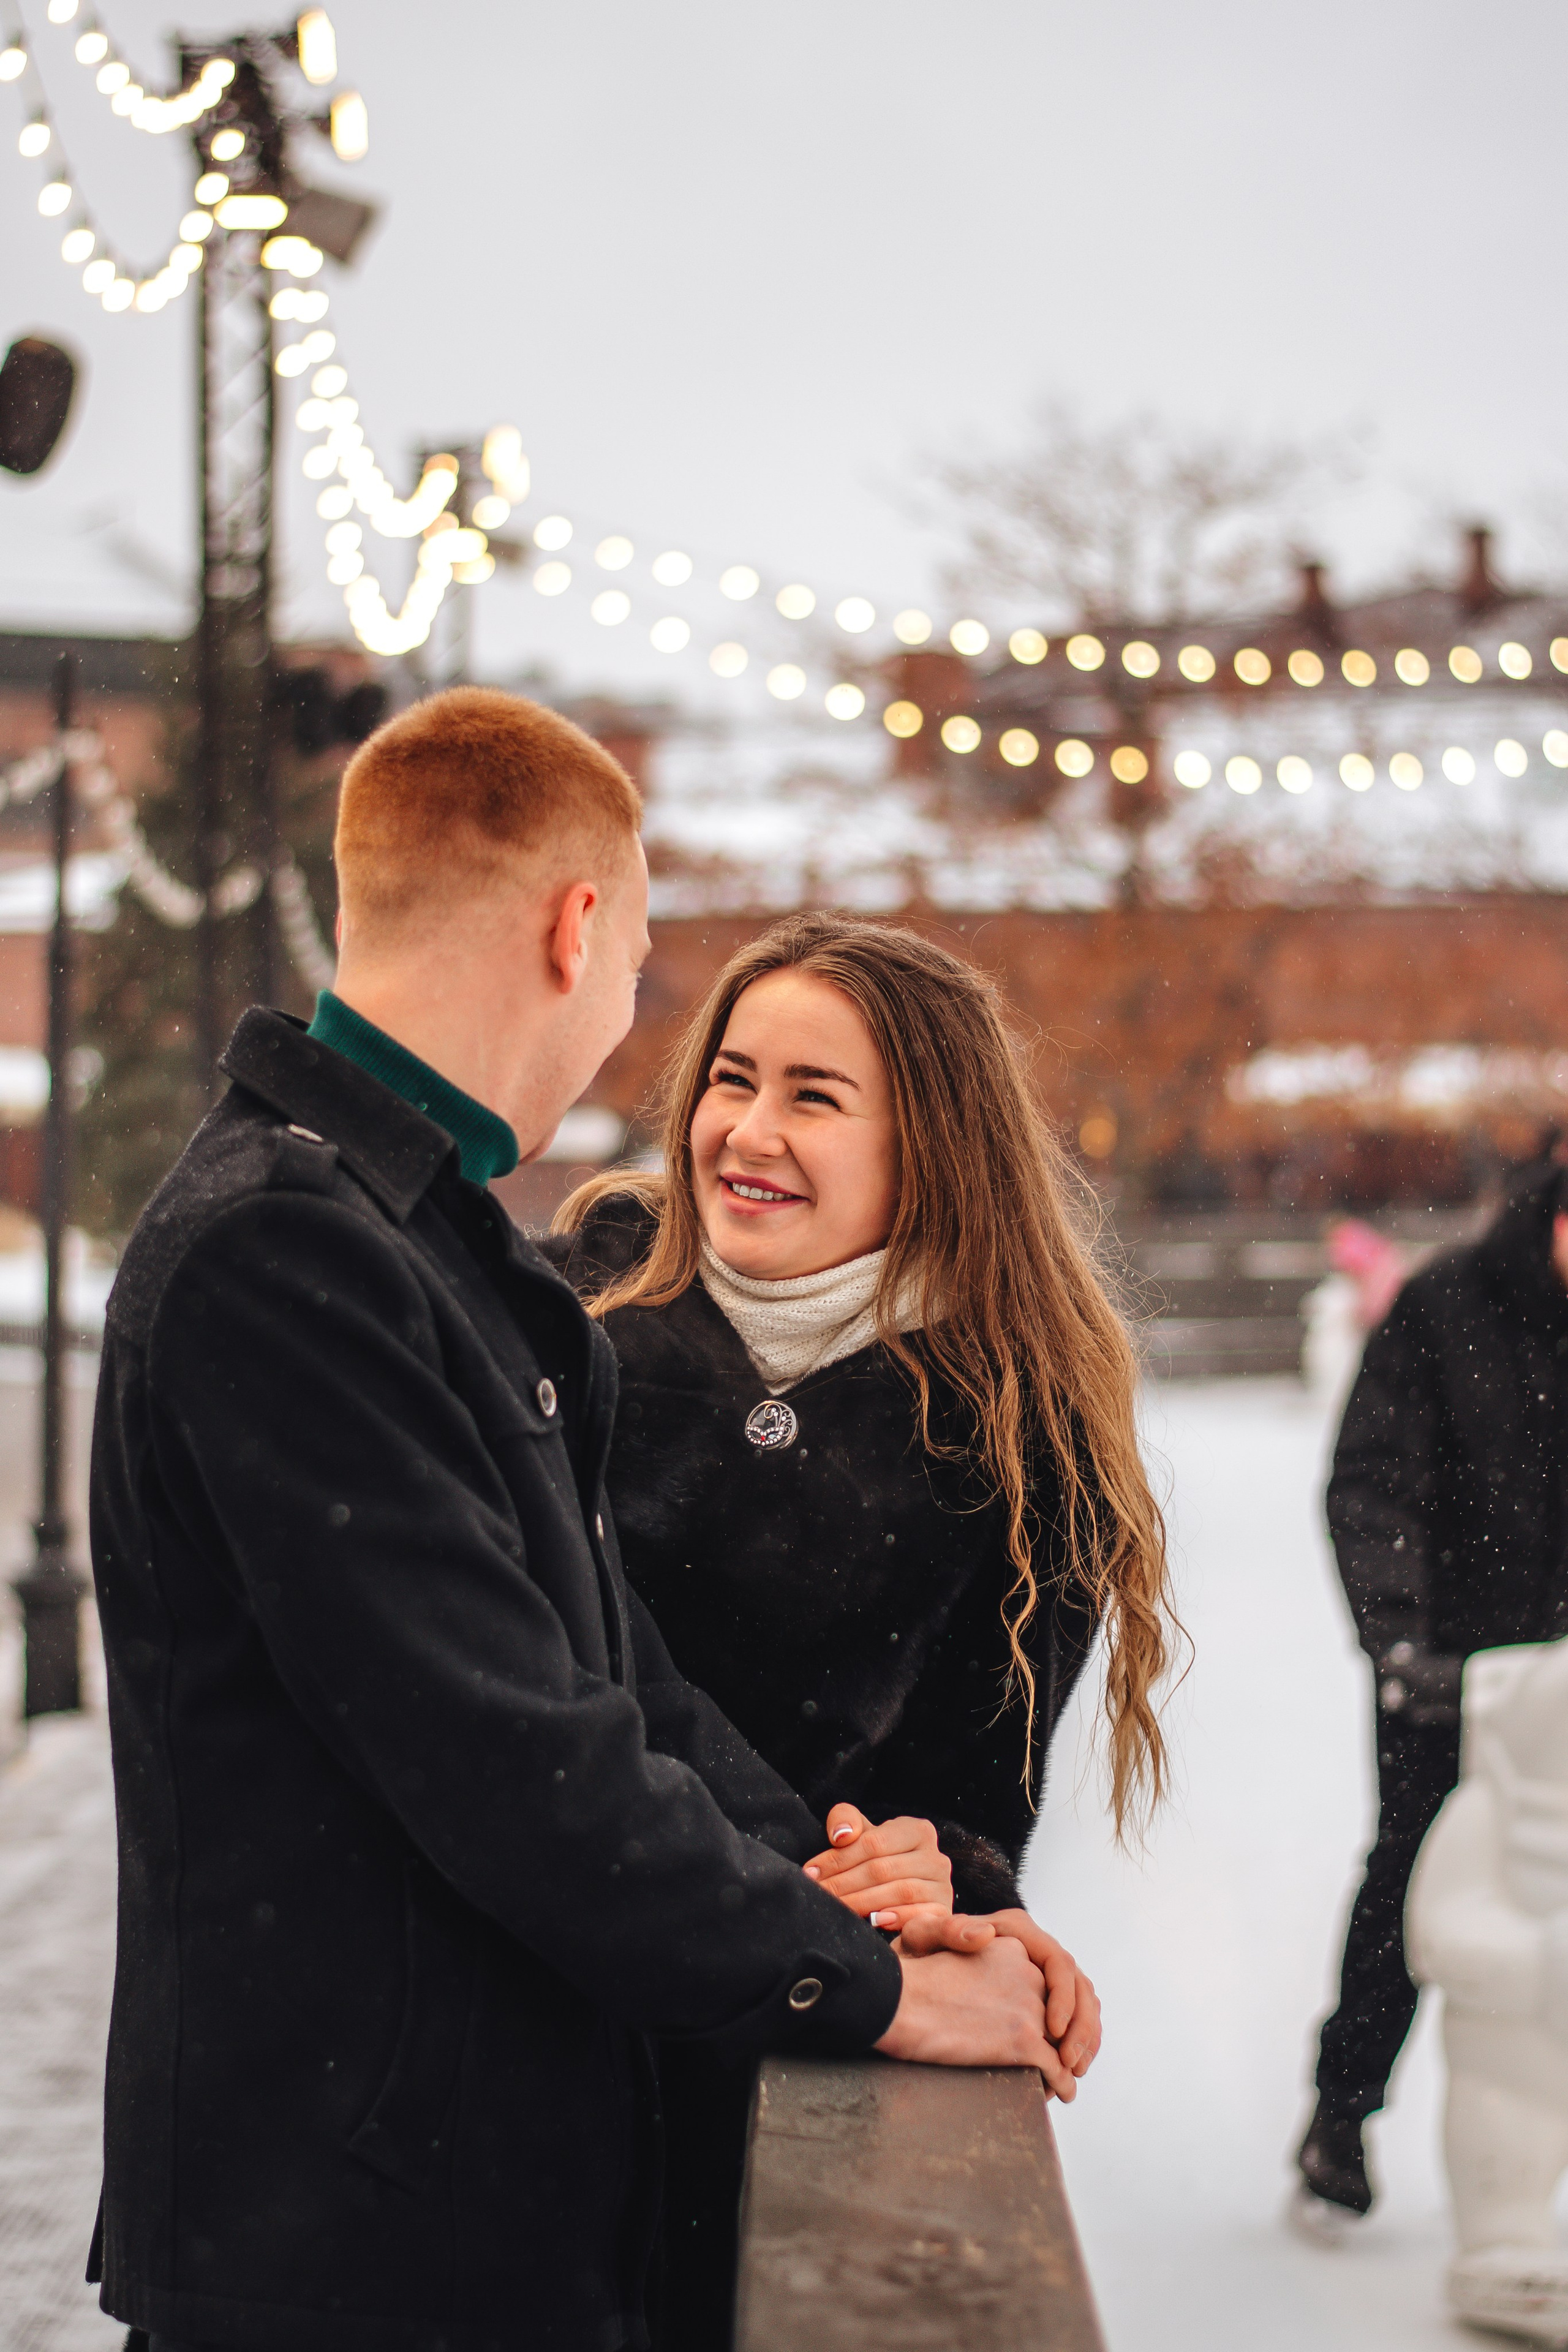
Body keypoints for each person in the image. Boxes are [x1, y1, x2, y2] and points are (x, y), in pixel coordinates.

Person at [86, 690, 1080, 2352]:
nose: (629, 1022)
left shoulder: (444, 1258)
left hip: (481, 2213)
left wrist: (871, 1893)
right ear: (578, 928)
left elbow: (636, 1695)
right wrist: (884, 1987)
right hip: (346, 2245)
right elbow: (515, 1757)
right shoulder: (288, 1254)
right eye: (638, 977)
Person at [545, 912, 1177, 2346]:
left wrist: (940, 1877)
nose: (745, 1130)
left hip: (793, 2022)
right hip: (543, 2009)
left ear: (929, 1145)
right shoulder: (566, 1316)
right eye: (731, 1076)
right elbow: (547, 1685)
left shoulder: (1022, 1427)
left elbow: (970, 1795)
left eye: (812, 1097)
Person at [1298, 1163, 1568, 2227]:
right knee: (1412, 1883)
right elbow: (1371, 1481)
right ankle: (1342, 2109)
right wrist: (1401, 1645)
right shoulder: (1447, 1307)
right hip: (1451, 1675)